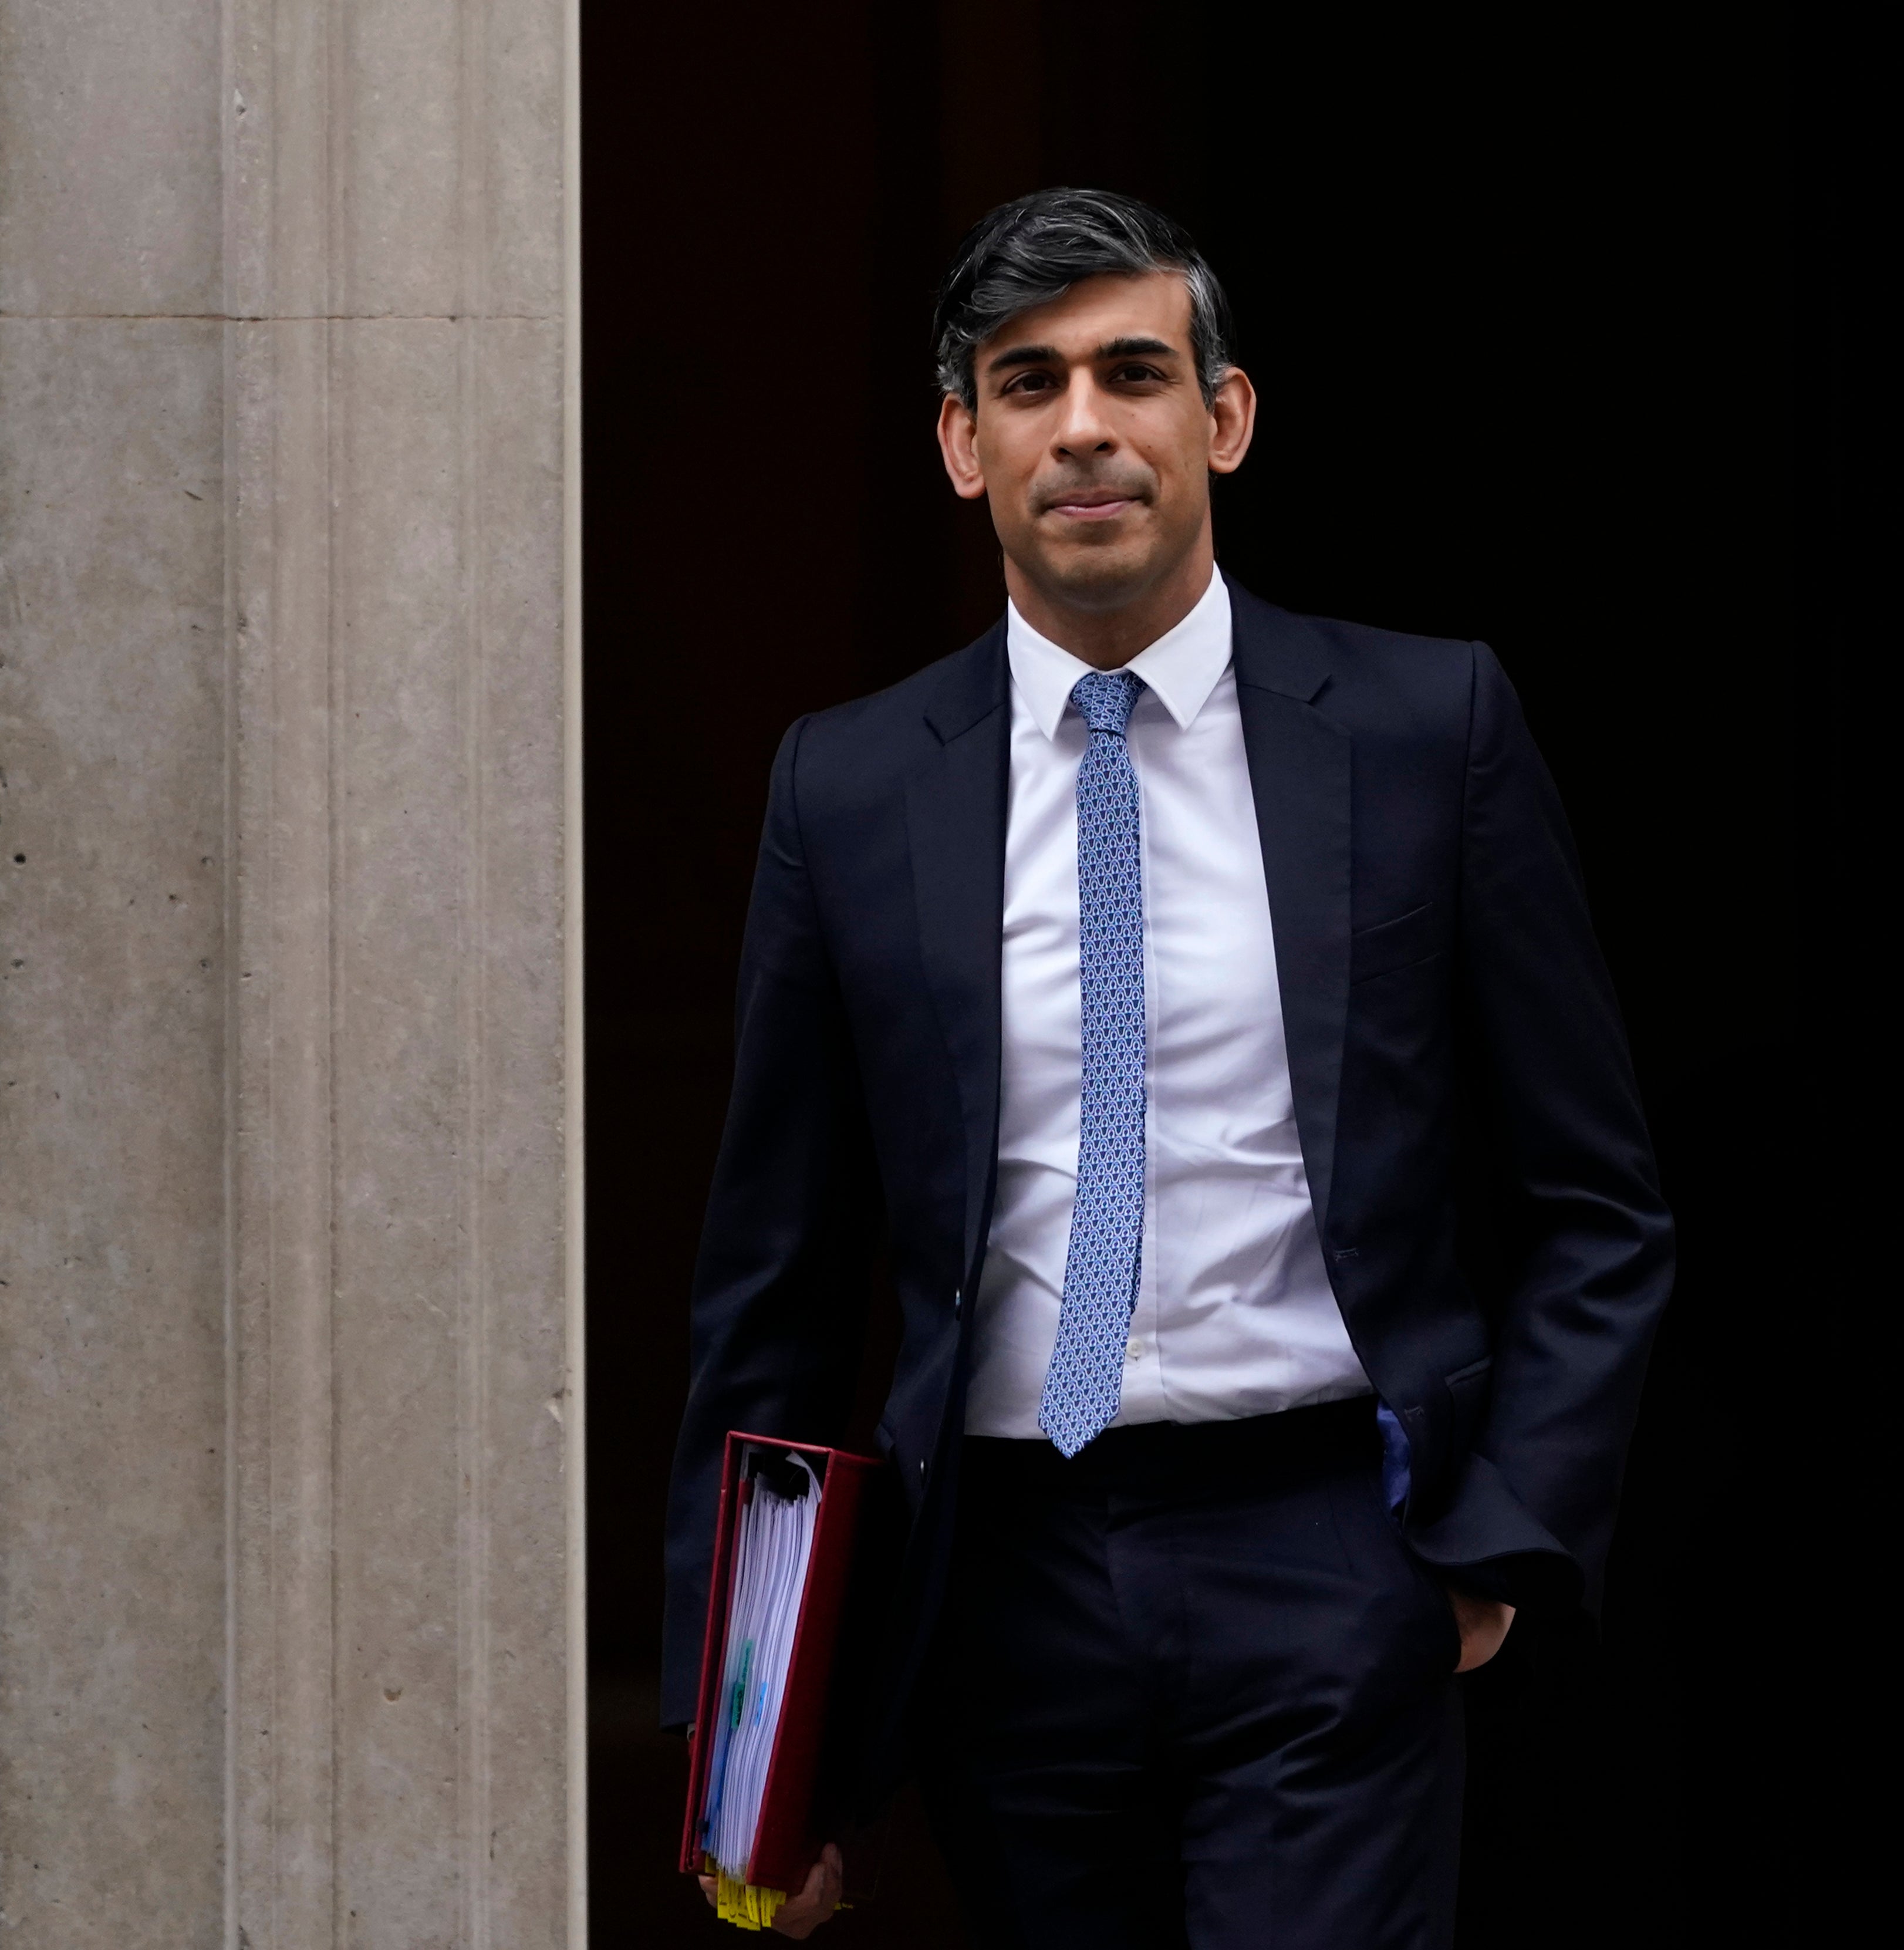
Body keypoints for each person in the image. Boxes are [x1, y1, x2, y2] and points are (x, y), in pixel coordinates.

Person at [663, 186, 1674, 1946]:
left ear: (1225, 416)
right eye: (1030, 381)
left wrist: (1493, 1553)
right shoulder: (846, 788)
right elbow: (777, 1289)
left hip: (1330, 1549)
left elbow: (1597, 1197)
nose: (1087, 427)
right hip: (1000, 1586)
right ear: (963, 445)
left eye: (1135, 372)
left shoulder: (1430, 733)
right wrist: (751, 1744)